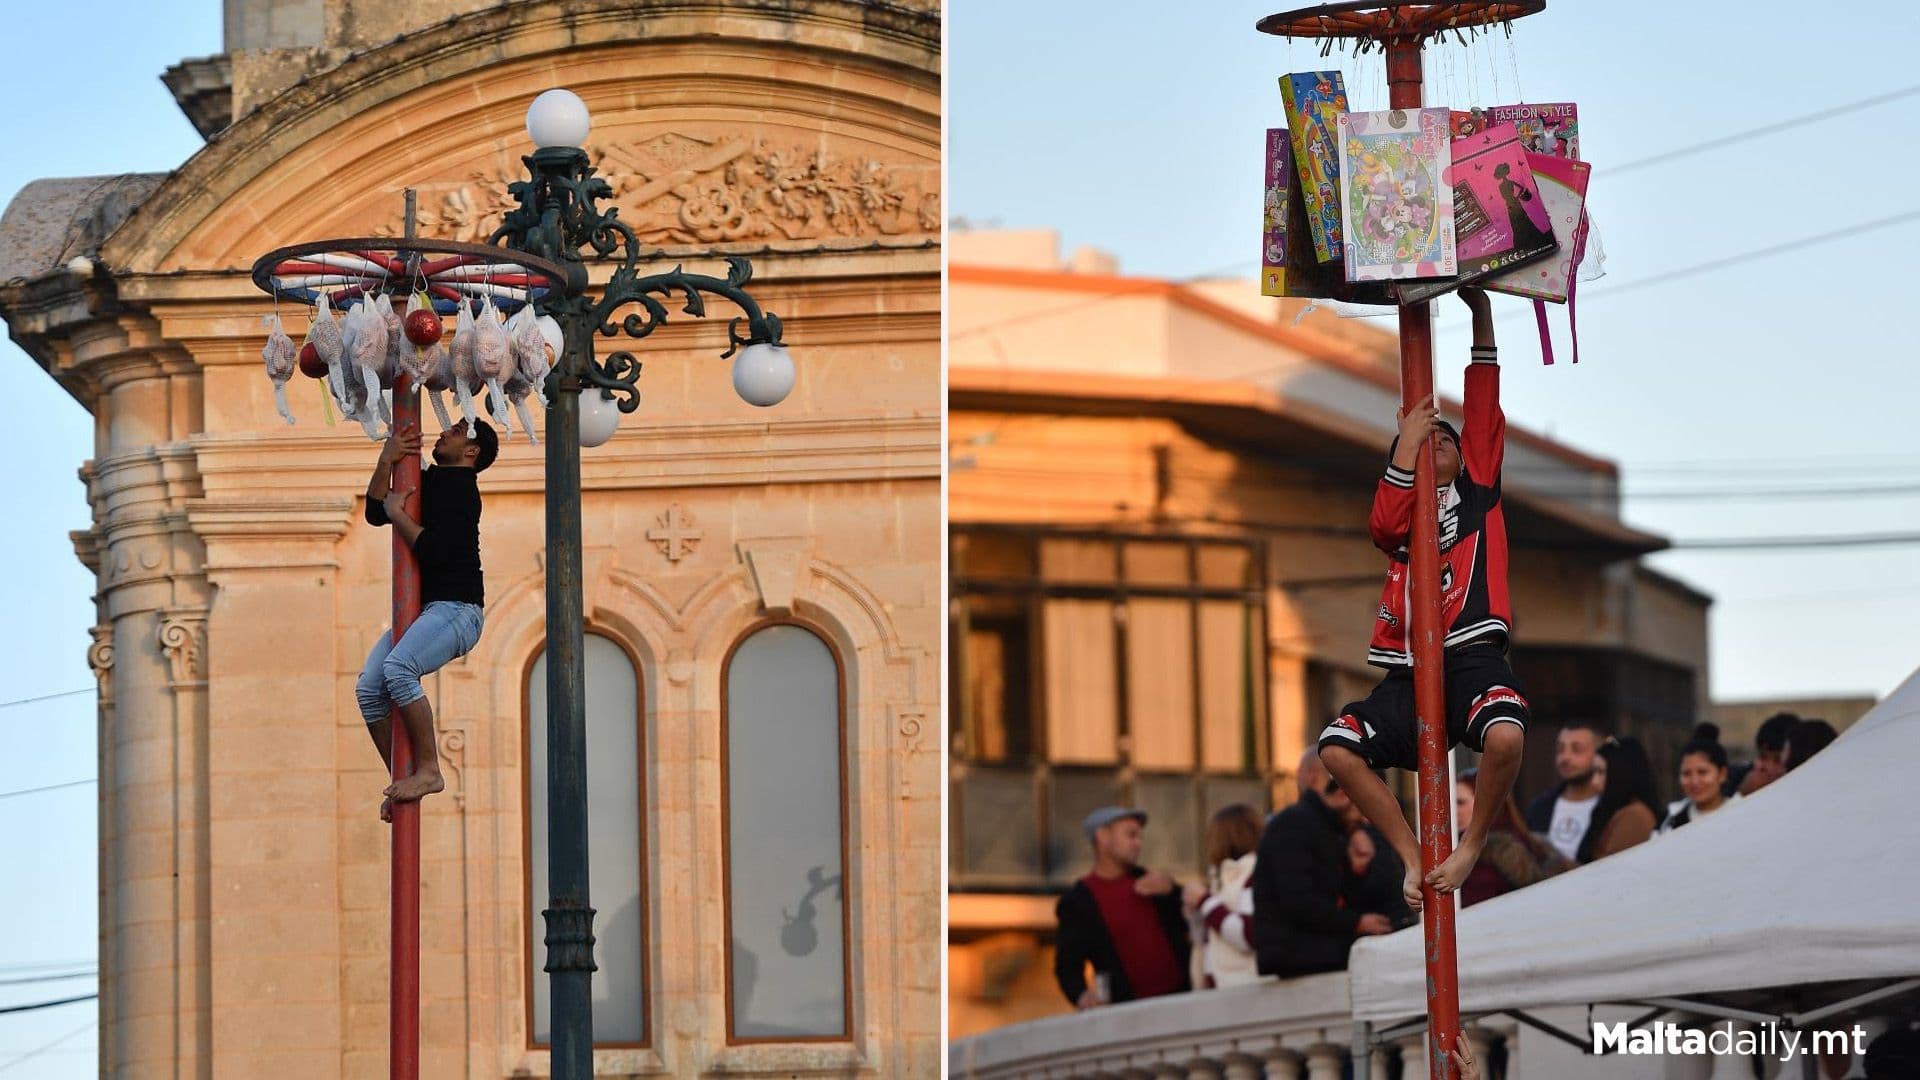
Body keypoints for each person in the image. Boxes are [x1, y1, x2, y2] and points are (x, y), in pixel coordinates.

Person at [1315, 288, 1529, 912]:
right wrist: (1406, 440)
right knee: (1336, 745)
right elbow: (1382, 523)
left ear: (1466, 457)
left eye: (1446, 437)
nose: (1436, 439)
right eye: (1421, 438)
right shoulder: (1401, 516)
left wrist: (1481, 314)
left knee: (1508, 737)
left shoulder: (1480, 491)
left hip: (1472, 656)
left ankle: (1472, 842)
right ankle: (1412, 855)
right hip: (1409, 671)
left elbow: (1485, 408)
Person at [356, 418, 497, 820]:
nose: (446, 431)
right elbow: (375, 510)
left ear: (471, 451)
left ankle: (430, 770)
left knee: (399, 669)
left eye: (457, 430)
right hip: (429, 611)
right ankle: (401, 778)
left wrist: (399, 515)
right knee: (370, 688)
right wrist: (387, 457)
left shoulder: (463, 492)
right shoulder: (432, 479)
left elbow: (433, 550)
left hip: (458, 610)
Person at [1251, 751, 1400, 977]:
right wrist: (1356, 923)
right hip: (1302, 958)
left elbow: (1333, 892)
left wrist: (1357, 870)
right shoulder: (1296, 824)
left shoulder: (1331, 829)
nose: (1364, 816)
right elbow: (1299, 900)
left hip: (1315, 955)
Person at [1053, 807, 1191, 1008]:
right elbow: (1067, 965)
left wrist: (1173, 891)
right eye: (1130, 835)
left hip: (1182, 1003)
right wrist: (1081, 996)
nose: (1138, 844)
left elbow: (1195, 920)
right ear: (1103, 837)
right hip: (1129, 1015)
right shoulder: (1078, 902)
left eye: (1139, 837)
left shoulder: (1153, 882)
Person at [1456, 767, 1571, 905]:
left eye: (1460, 803)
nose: (1453, 810)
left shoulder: (1493, 862)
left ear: (1486, 804)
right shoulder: (1453, 850)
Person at [1184, 804, 1263, 989]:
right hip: (1222, 994)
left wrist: (1205, 901)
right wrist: (1196, 917)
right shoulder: (1224, 880)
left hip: (1246, 991)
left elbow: (1248, 934)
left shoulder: (1254, 874)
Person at [1524, 719, 1605, 863]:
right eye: (1560, 749)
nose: (1565, 757)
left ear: (1599, 753)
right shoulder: (1540, 807)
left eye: (1577, 749)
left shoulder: (1610, 808)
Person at [1579, 736, 1662, 862]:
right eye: (1594, 773)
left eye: (1601, 772)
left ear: (1621, 773)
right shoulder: (1613, 812)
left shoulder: (1634, 816)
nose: (1594, 782)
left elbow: (1607, 874)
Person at [1660, 723, 1740, 833]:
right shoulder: (1671, 819)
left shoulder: (1742, 812)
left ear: (1722, 774)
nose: (1694, 781)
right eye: (1686, 773)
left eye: (1702, 772)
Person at [1727, 711, 1797, 796]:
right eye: (1763, 757)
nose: (1766, 767)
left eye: (1777, 760)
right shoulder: (1733, 778)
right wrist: (1742, 794)